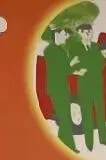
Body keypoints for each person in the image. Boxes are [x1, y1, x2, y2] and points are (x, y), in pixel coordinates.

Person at [70, 22, 106, 151]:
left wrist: (88, 65)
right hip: (84, 85)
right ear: (80, 33)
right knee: (87, 114)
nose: (89, 33)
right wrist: (83, 67)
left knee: (100, 113)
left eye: (90, 31)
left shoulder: (96, 47)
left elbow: (102, 62)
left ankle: (104, 140)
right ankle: (89, 143)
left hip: (97, 84)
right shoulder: (75, 47)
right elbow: (72, 63)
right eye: (86, 31)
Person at [42, 24, 77, 152]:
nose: (66, 37)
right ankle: (68, 145)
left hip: (61, 86)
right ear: (56, 34)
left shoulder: (59, 50)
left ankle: (65, 144)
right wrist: (72, 64)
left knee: (64, 116)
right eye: (65, 34)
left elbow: (64, 69)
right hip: (57, 87)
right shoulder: (51, 50)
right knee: (64, 117)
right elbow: (62, 70)